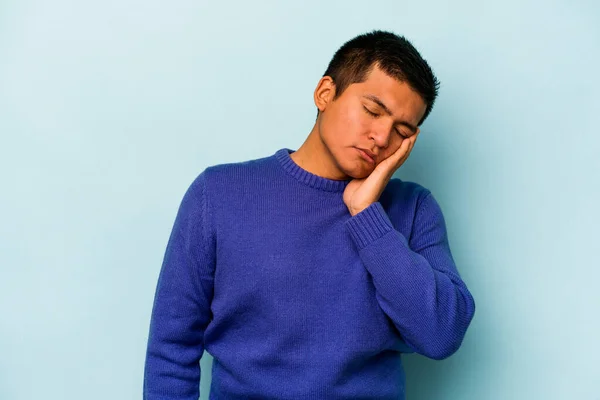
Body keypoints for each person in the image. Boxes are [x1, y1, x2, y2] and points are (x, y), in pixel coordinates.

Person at [143, 29, 476, 400]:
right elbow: (171, 349)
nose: (382, 138)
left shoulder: (413, 209)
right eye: (372, 111)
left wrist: (367, 216)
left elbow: (442, 334)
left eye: (401, 131)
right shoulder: (218, 193)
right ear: (325, 94)